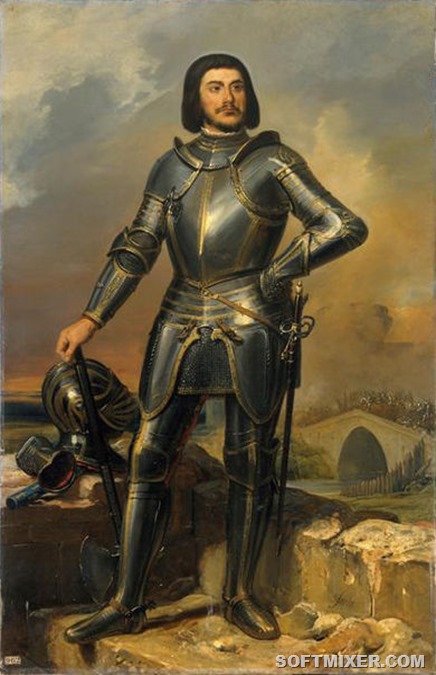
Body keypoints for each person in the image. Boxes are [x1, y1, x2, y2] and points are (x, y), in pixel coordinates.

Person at [57, 53, 368, 644]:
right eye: (215, 87)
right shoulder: (169, 168)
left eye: (237, 86)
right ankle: (127, 602)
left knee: (249, 460)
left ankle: (239, 596)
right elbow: (138, 248)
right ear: (195, 98)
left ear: (249, 96)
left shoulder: (275, 161)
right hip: (178, 318)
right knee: (149, 455)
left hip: (251, 321)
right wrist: (92, 317)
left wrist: (276, 274)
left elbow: (342, 225)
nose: (228, 97)